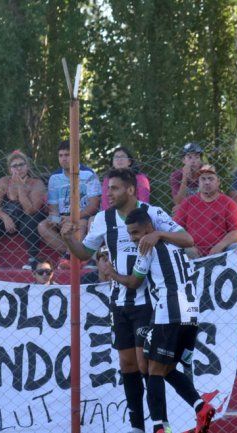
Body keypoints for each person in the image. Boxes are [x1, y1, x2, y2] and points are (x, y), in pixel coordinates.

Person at [60, 168, 193, 433]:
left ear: (131, 189)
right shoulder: (103, 219)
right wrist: (67, 238)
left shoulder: (152, 213)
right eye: (108, 189)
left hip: (149, 302)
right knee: (127, 365)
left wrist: (158, 234)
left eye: (115, 188)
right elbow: (84, 253)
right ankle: (137, 427)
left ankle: (161, 424)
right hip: (119, 301)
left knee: (147, 365)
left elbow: (187, 239)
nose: (109, 194)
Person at [99, 207, 214, 433]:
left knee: (153, 371)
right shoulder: (177, 245)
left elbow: (134, 282)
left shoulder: (147, 247)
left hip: (168, 313)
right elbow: (188, 241)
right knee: (167, 368)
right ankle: (200, 406)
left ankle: (160, 427)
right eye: (129, 233)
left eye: (135, 232)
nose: (133, 238)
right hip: (191, 314)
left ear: (149, 228)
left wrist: (111, 273)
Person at [38, 140, 101, 268]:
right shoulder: (54, 178)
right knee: (43, 226)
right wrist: (56, 218)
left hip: (84, 215)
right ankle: (74, 254)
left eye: (67, 155)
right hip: (62, 217)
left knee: (80, 223)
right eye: (60, 155)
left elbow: (94, 205)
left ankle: (70, 257)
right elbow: (53, 207)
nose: (63, 159)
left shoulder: (88, 174)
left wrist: (72, 218)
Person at [0, 151, 46, 270]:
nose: (18, 168)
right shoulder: (4, 181)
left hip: (27, 218)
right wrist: (5, 217)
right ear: (10, 169)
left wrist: (20, 188)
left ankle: (33, 260)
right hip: (8, 218)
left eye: (21, 164)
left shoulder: (36, 183)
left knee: (30, 222)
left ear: (27, 166)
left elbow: (30, 210)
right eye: (14, 166)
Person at [175, 165, 237, 257]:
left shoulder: (229, 203)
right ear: (198, 182)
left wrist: (220, 246)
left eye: (211, 179)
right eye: (203, 179)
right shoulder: (188, 202)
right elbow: (176, 228)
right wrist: (188, 245)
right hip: (193, 252)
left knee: (236, 246)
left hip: (221, 251)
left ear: (218, 182)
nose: (207, 182)